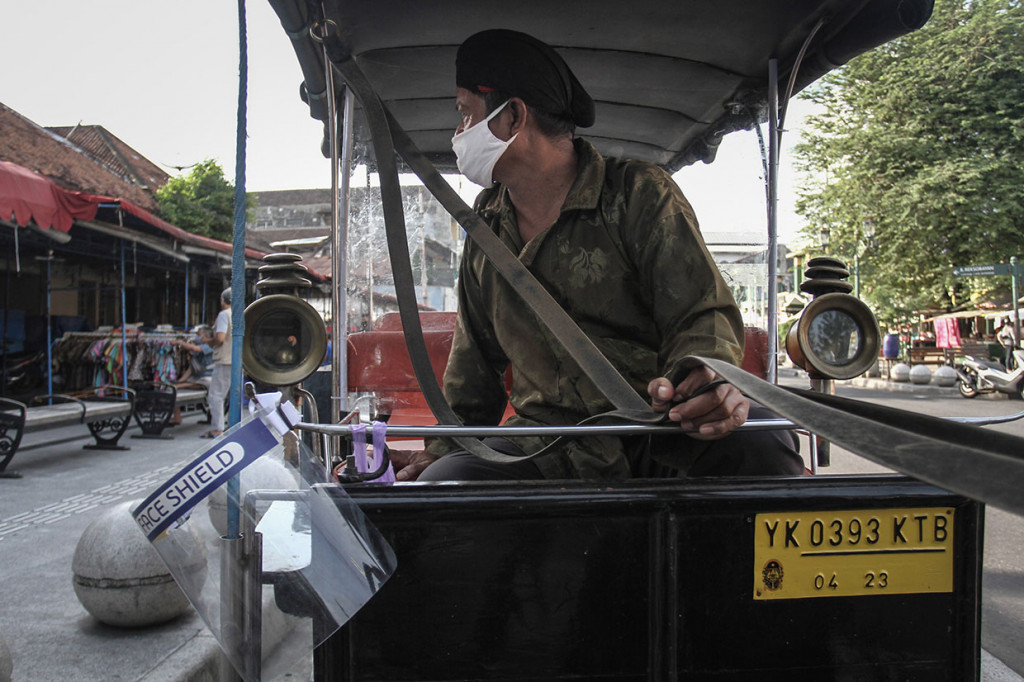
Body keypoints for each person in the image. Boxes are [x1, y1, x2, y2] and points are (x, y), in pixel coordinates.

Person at [392, 29, 801, 482]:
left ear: (512, 117)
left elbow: (700, 315)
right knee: (444, 487)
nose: (458, 134)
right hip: (545, 445)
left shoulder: (638, 195)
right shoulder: (485, 227)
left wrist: (703, 378)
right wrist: (444, 450)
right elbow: (473, 368)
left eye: (465, 115)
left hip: (655, 429)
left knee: (762, 440)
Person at [203, 289, 232, 439]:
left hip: (224, 360)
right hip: (235, 360)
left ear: (222, 300)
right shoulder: (239, 314)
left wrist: (208, 342)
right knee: (231, 395)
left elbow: (220, 338)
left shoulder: (223, 315)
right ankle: (231, 424)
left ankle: (217, 429)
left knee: (215, 395)